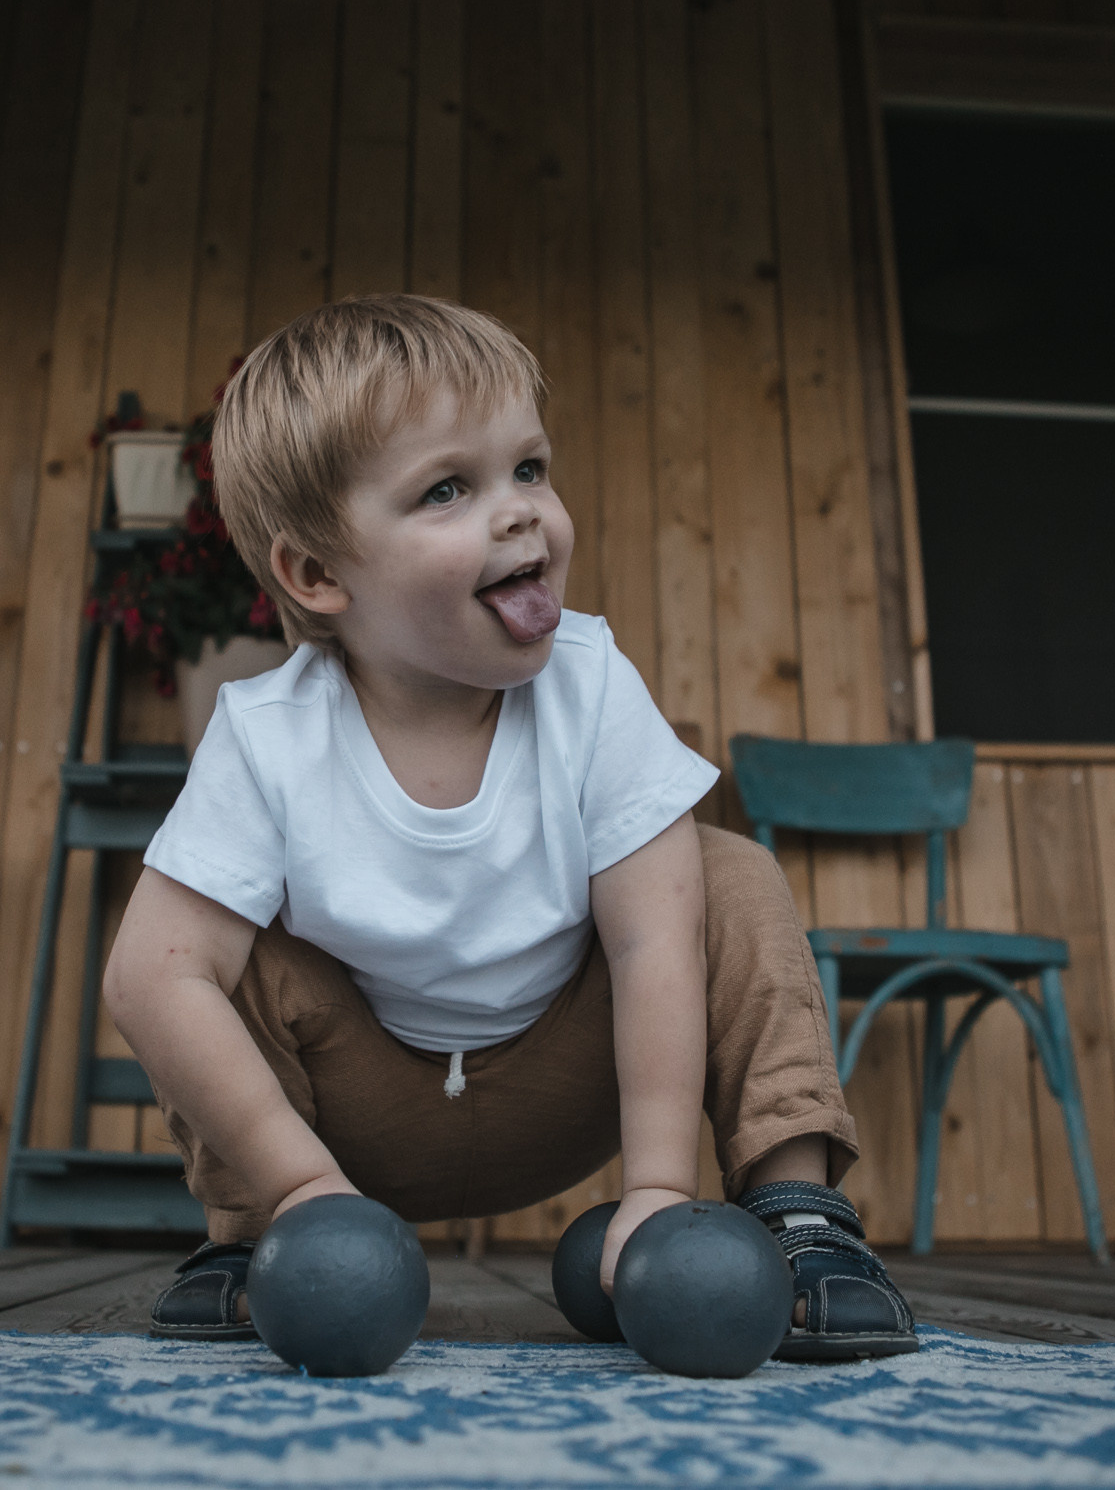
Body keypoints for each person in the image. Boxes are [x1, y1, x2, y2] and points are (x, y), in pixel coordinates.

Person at [103, 294, 915, 1361]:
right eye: (449, 487)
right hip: (352, 1120)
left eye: (528, 468)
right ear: (317, 573)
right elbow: (143, 979)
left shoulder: (588, 684)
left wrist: (660, 1187)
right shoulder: (267, 736)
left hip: (564, 1083)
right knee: (202, 939)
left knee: (724, 872)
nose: (520, 511)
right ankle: (255, 1233)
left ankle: (797, 1213)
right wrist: (304, 1189)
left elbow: (653, 940)